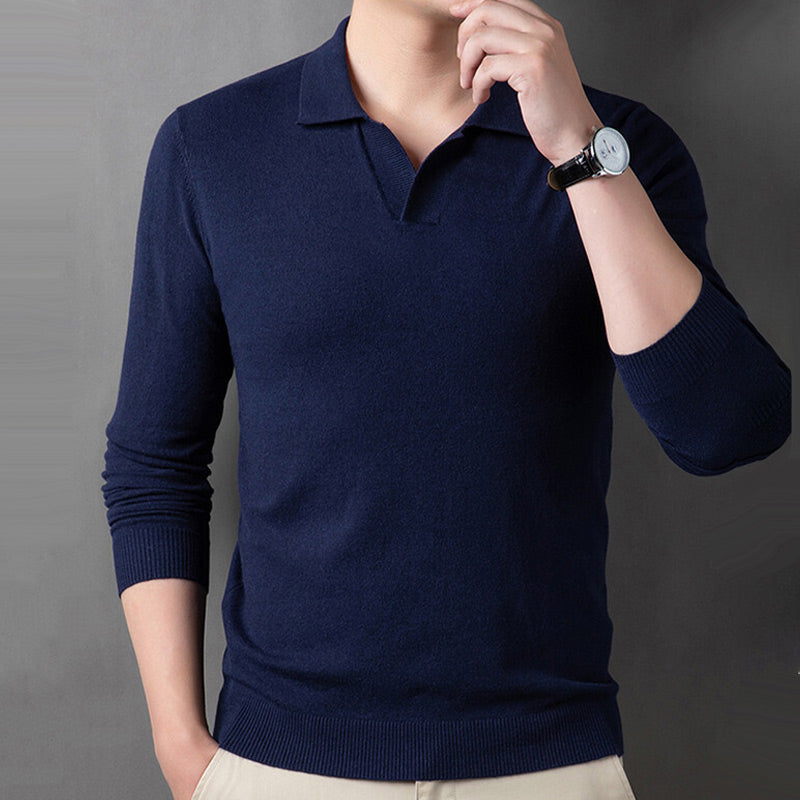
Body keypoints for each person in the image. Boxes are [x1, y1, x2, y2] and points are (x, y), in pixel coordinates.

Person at [100, 1, 791, 798]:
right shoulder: (213, 145)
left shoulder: (617, 145)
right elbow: (154, 466)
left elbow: (728, 429)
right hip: (281, 763)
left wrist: (578, 149)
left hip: (546, 764)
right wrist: (181, 748)